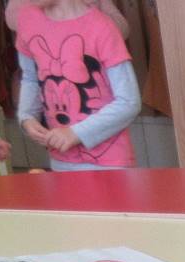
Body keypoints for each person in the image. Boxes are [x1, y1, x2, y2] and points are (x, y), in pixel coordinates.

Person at [13, 0, 139, 170]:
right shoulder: (27, 19)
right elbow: (30, 78)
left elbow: (129, 102)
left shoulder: (103, 27)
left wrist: (76, 133)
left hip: (110, 163)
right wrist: (27, 117)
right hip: (61, 160)